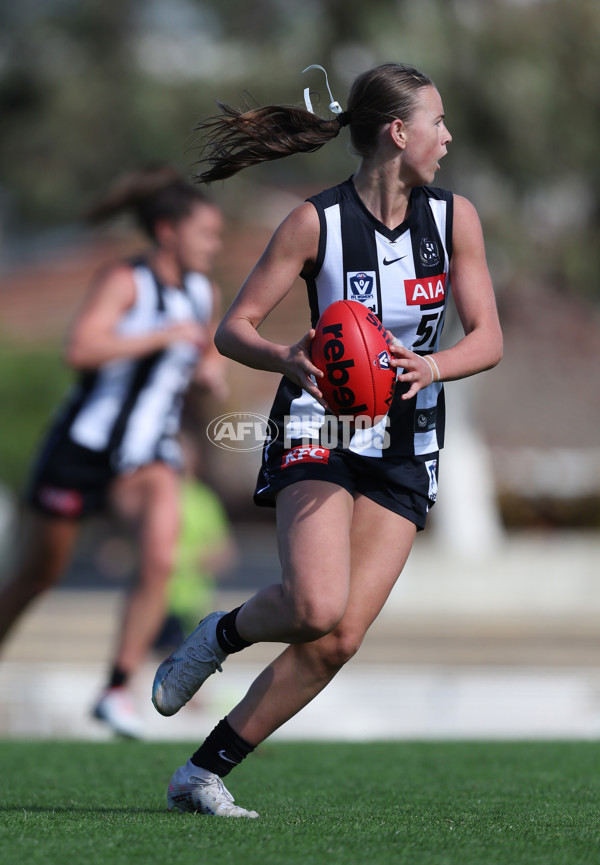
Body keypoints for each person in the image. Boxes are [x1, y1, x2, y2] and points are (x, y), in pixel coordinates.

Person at [152, 62, 503, 817]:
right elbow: (233, 329)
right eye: (437, 122)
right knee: (315, 605)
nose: (448, 136)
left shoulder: (456, 219)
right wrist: (284, 356)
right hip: (322, 423)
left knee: (337, 638)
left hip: (407, 439)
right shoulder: (316, 222)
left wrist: (433, 364)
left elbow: (488, 338)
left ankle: (200, 774)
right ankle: (219, 634)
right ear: (398, 132)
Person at [0, 165, 226, 738]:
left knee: (160, 555)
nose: (214, 245)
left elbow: (203, 355)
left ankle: (117, 688)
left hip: (147, 453)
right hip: (82, 448)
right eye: (205, 233)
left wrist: (209, 371)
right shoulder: (126, 281)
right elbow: (80, 348)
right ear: (168, 231)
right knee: (36, 576)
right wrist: (161, 335)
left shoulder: (204, 292)